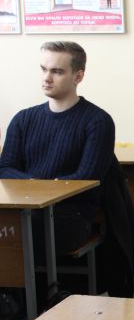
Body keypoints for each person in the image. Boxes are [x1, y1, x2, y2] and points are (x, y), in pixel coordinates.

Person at [0, 41, 115, 259]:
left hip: (70, 215)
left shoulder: (98, 121)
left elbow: (86, 179)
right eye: (43, 69)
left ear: (78, 76)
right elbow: (5, 168)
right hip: (25, 209)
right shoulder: (23, 119)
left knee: (22, 235)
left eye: (57, 72)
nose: (47, 78)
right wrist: (36, 184)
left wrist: (37, 188)